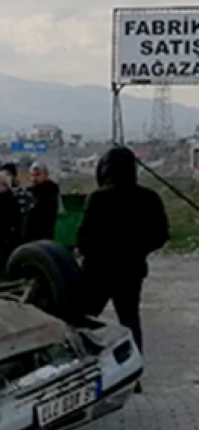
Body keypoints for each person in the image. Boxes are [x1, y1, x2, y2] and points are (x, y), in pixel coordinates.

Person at [78, 146, 169, 372]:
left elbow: (84, 237)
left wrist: (94, 253)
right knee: (130, 320)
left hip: (98, 271)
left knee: (83, 319)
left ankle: (85, 367)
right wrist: (138, 250)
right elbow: (161, 235)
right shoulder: (149, 197)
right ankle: (133, 369)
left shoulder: (98, 198)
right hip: (132, 269)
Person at [25, 162, 61, 242]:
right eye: (32, 175)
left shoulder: (51, 192)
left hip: (45, 235)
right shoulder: (30, 192)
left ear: (46, 175)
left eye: (38, 175)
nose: (34, 178)